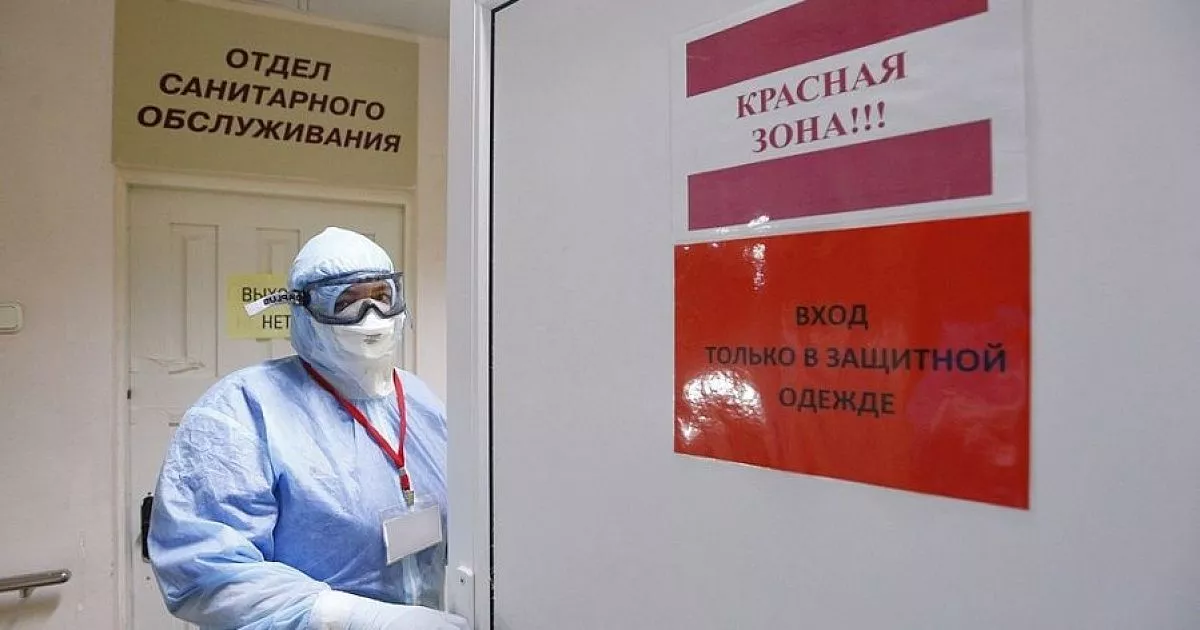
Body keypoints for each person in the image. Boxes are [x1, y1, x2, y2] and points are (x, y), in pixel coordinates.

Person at [148, 227, 469, 630]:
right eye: (346, 301)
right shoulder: (242, 409)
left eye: (381, 296)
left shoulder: (418, 399)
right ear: (302, 310)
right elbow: (205, 573)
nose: (370, 316)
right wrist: (357, 620)